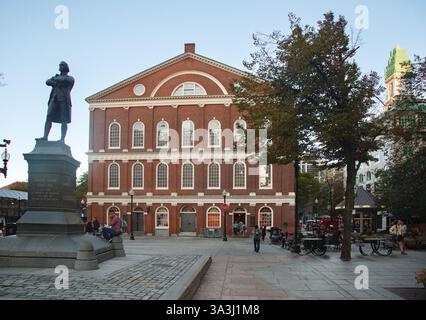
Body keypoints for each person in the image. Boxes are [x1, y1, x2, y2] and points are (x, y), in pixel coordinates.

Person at [37, 61, 74, 143]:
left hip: (63, 100)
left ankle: (62, 139)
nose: (60, 66)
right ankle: (45, 136)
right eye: (60, 65)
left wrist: (56, 80)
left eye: (62, 65)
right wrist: (57, 80)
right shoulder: (56, 77)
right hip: (54, 99)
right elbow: (47, 82)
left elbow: (66, 80)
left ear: (66, 68)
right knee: (48, 116)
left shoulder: (70, 78)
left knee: (64, 120)